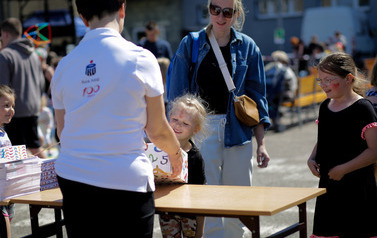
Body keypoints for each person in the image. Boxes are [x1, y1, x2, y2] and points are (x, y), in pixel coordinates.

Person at [50, 0, 183, 237]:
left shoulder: (63, 66)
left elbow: (63, 132)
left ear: (82, 17)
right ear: (122, 8)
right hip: (125, 179)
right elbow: (157, 129)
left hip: (74, 177)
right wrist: (175, 155)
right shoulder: (141, 58)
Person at [168, 0, 271, 237]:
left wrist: (262, 143)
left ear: (236, 14)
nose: (221, 16)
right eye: (215, 9)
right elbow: (177, 97)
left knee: (239, 198)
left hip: (239, 129)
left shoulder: (248, 46)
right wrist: (176, 142)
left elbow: (258, 99)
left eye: (227, 11)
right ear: (209, 9)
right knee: (208, 197)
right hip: (202, 128)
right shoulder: (191, 43)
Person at [307, 52, 377, 237]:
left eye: (329, 80)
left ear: (348, 79)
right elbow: (325, 137)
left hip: (357, 189)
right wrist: (312, 157)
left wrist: (344, 169)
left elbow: (374, 151)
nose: (323, 85)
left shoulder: (363, 108)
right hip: (330, 188)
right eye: (320, 80)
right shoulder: (325, 106)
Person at [159, 94, 208, 238]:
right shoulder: (158, 150)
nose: (178, 125)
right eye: (174, 120)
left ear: (196, 129)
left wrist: (200, 231)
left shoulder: (196, 157)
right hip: (167, 212)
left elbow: (201, 196)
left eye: (185, 123)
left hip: (190, 214)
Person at [0, 18, 46, 158]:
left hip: (14, 111)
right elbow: (41, 83)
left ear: (5, 34)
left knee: (15, 153)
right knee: (35, 147)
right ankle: (51, 173)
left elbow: (3, 88)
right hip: (33, 108)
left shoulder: (5, 55)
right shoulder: (33, 54)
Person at [265, 50, 297, 132]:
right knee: (270, 99)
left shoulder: (280, 70)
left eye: (274, 59)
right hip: (289, 94)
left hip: (285, 95)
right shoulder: (288, 70)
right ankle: (276, 120)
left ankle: (275, 120)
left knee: (269, 100)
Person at [0, 85, 16, 238]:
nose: (11, 110)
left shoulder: (3, 133)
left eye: (12, 106)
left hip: (6, 191)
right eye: (6, 106)